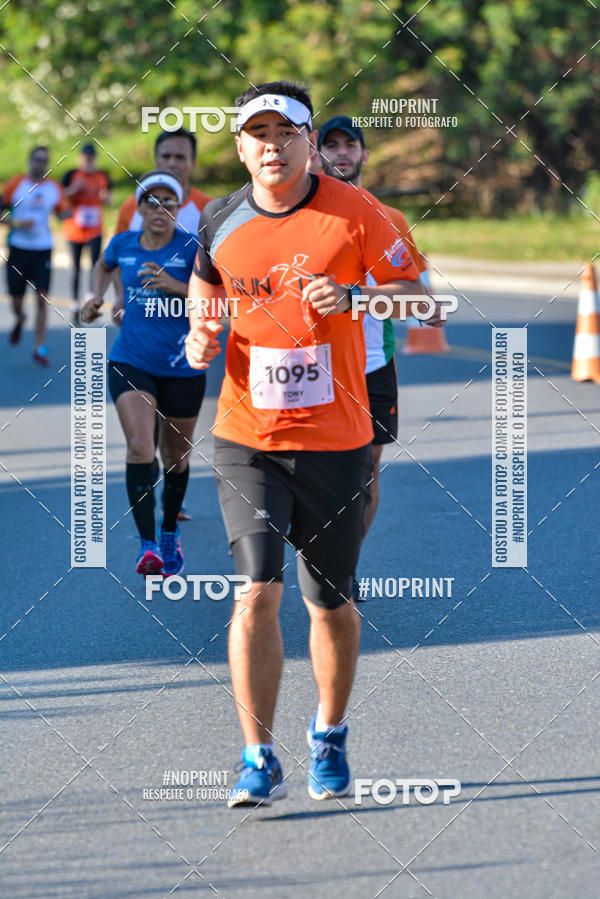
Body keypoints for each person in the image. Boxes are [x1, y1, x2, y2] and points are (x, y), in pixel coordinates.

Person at [185, 81, 444, 807]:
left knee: (327, 602)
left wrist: (360, 298)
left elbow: (423, 299)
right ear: (240, 146)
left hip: (336, 438)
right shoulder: (220, 218)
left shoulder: (358, 212)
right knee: (255, 590)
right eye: (256, 134)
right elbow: (206, 284)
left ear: (309, 143)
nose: (271, 146)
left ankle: (328, 731)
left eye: (285, 133)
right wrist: (201, 332)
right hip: (247, 434)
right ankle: (256, 753)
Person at [81, 171, 205, 577]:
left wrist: (175, 284)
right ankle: (148, 545)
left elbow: (220, 296)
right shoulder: (123, 243)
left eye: (169, 201)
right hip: (131, 360)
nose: (160, 208)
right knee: (139, 447)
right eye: (151, 201)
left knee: (175, 457)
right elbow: (103, 265)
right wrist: (96, 297)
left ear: (178, 207)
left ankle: (170, 530)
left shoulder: (191, 249)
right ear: (139, 207)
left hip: (183, 367)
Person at [318, 115, 429, 540]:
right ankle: (320, 556)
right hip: (319, 362)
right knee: (319, 469)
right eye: (332, 145)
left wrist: (360, 300)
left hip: (373, 363)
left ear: (364, 154)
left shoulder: (391, 218)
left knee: (365, 472)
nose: (341, 152)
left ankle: (344, 568)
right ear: (317, 153)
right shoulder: (305, 214)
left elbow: (414, 295)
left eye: (350, 145)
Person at [114, 127, 212, 521]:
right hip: (139, 340)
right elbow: (124, 257)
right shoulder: (130, 207)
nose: (172, 163)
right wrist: (119, 300)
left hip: (187, 346)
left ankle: (171, 488)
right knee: (141, 432)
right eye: (165, 157)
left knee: (175, 440)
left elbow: (218, 279)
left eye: (180, 157)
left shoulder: (210, 209)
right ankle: (149, 487)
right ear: (156, 161)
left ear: (192, 163)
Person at [1, 147, 70, 365]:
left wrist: (73, 204)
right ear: (29, 160)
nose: (40, 164)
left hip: (43, 249)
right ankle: (20, 319)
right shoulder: (15, 184)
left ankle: (39, 348)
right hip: (19, 248)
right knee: (16, 301)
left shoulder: (54, 188)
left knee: (42, 299)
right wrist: (17, 223)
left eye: (44, 160)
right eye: (37, 160)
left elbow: (64, 213)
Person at [62, 143, 111, 325]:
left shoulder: (102, 176)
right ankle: (75, 303)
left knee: (95, 265)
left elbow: (109, 197)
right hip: (74, 229)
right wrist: (74, 189)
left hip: (95, 230)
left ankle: (91, 302)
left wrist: (107, 198)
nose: (88, 161)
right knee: (75, 267)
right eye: (85, 157)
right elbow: (61, 198)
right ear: (80, 158)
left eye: (91, 158)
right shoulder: (72, 175)